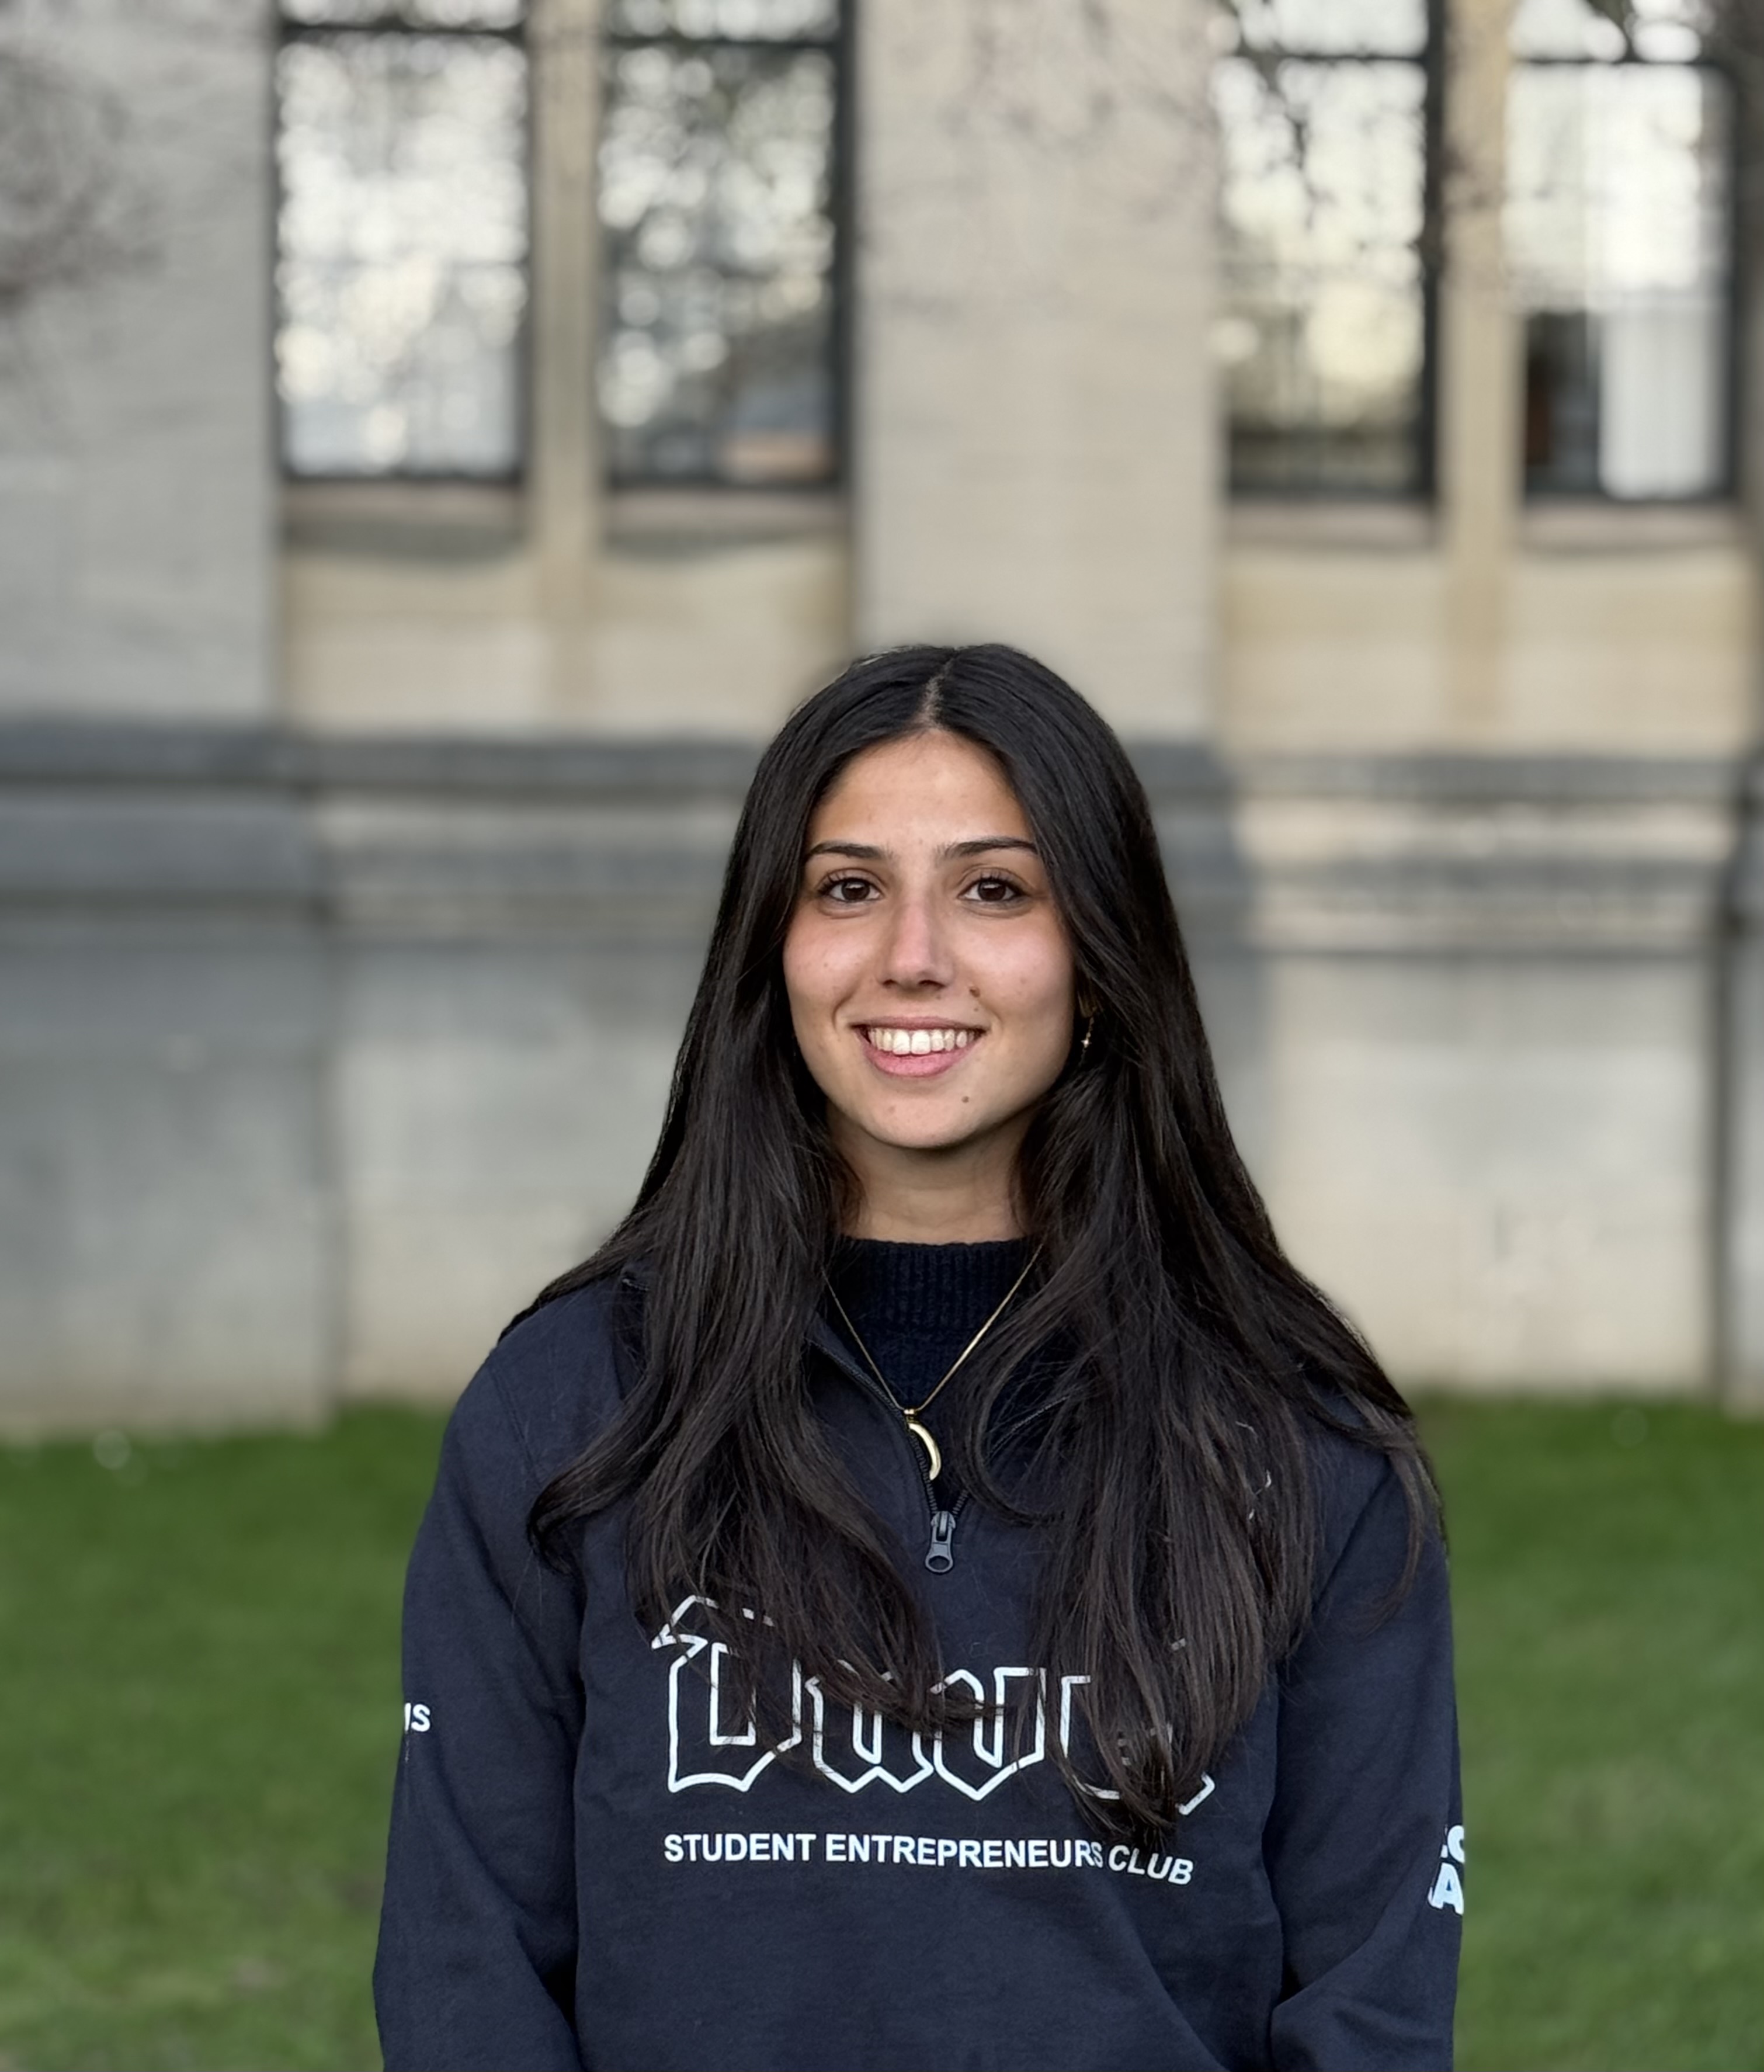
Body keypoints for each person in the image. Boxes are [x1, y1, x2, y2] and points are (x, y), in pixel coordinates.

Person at [373, 644, 1463, 2072]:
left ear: (1100, 954)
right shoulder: (573, 1406)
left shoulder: (1297, 1437)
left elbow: (1370, 2007)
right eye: (848, 887)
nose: (912, 955)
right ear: (773, 945)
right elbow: (469, 1969)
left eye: (994, 889)